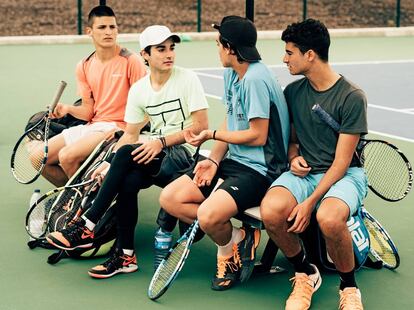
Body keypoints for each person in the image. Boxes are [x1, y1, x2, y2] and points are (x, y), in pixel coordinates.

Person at [46, 24, 209, 279]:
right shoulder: (139, 90)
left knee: (122, 157)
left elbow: (200, 127)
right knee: (127, 180)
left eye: (171, 48)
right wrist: (108, 165)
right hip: (152, 155)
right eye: (161, 49)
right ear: (145, 54)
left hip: (182, 156)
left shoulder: (187, 79)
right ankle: (125, 256)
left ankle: (86, 224)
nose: (169, 54)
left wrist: (161, 142)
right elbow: (131, 134)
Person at [159, 15, 290, 291]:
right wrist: (213, 159)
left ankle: (226, 255)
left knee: (207, 215)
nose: (216, 48)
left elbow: (258, 135)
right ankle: (237, 238)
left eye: (219, 44)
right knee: (171, 198)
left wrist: (211, 136)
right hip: (234, 161)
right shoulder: (233, 73)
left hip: (262, 170)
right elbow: (232, 118)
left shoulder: (255, 79)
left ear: (230, 48)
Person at [260, 19, 368, 310]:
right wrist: (294, 157)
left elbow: (342, 163)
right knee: (271, 212)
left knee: (329, 219)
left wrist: (309, 203)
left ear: (310, 55)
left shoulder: (352, 97)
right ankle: (305, 272)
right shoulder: (293, 93)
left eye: (289, 52)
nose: (284, 59)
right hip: (304, 174)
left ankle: (349, 288)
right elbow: (293, 140)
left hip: (344, 176)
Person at [41, 5, 146, 186]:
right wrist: (67, 109)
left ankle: (86, 206)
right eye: (102, 27)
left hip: (118, 128)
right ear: (89, 31)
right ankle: (78, 196)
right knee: (38, 159)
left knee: (67, 156)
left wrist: (129, 133)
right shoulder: (84, 65)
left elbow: (146, 108)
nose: (108, 32)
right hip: (93, 125)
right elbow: (88, 112)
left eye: (112, 27)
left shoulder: (132, 61)